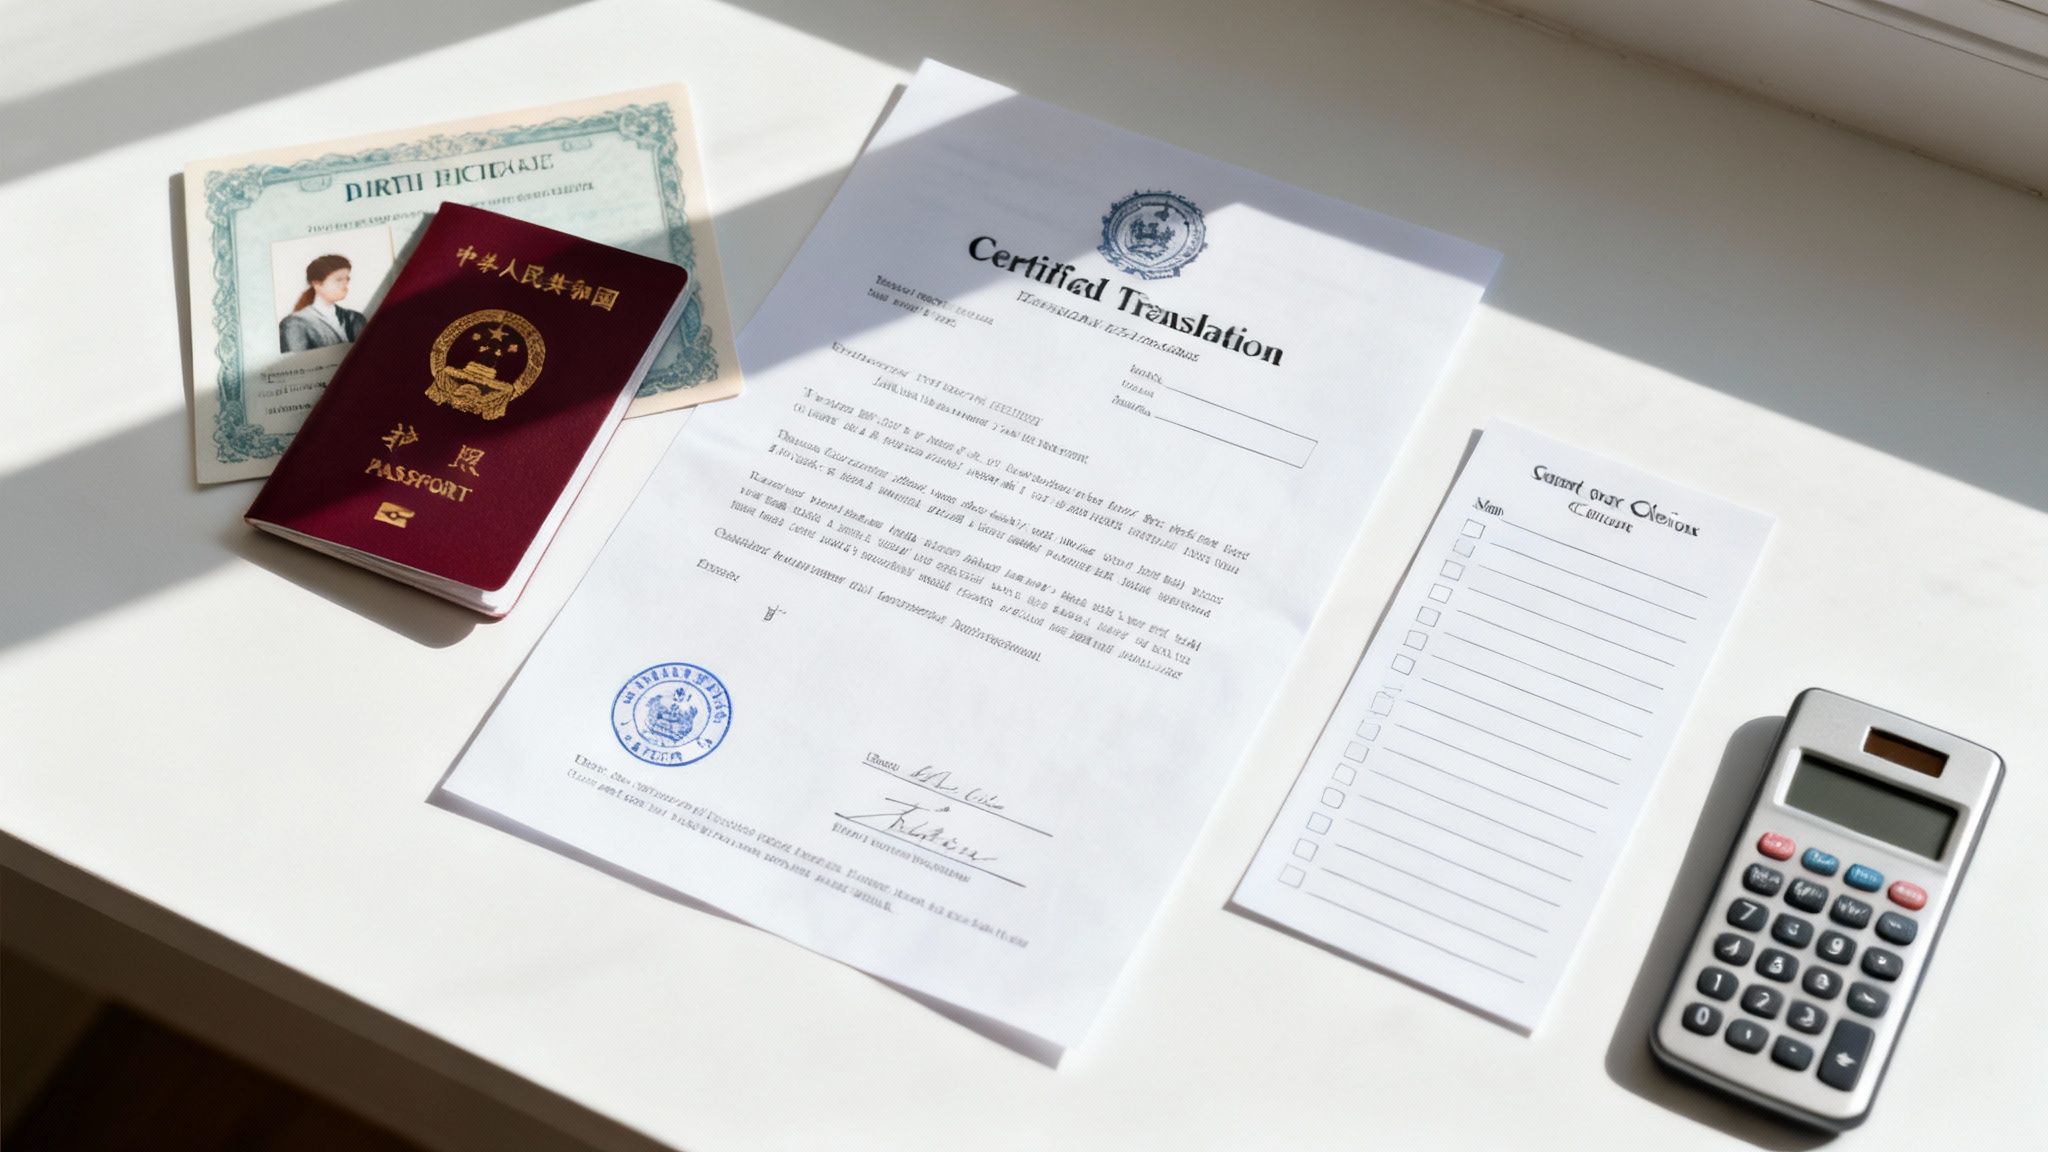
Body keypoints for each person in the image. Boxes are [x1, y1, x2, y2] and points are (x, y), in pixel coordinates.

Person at [278, 254, 367, 351]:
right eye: (339, 280)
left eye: (347, 279)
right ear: (317, 284)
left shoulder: (356, 318)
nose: (345, 285)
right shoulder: (294, 323)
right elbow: (296, 363)